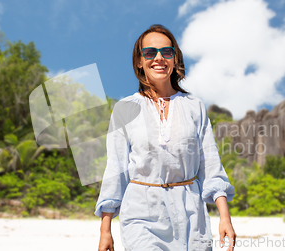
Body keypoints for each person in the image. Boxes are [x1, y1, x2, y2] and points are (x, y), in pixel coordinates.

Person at [95, 24, 236, 251]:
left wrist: (224, 216)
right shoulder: (124, 109)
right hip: (141, 212)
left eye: (166, 52)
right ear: (139, 61)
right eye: (150, 53)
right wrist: (105, 230)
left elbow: (210, 164)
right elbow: (115, 170)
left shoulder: (194, 106)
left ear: (175, 58)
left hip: (192, 215)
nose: (159, 58)